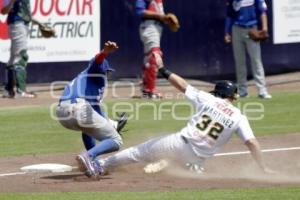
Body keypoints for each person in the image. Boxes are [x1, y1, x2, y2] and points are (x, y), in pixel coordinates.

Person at [77, 53, 274, 178]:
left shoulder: (209, 99)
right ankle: (180, 165)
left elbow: (182, 85)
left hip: (179, 144)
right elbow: (253, 143)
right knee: (184, 161)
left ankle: (100, 165)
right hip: (197, 158)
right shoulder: (239, 117)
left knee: (137, 153)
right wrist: (263, 168)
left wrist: (162, 69)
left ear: (219, 94)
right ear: (232, 97)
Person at [56, 41, 128, 176]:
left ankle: (92, 160)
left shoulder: (85, 81)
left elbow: (97, 117)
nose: (107, 74)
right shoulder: (94, 71)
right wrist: (104, 53)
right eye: (107, 71)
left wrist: (112, 124)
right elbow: (98, 62)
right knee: (116, 140)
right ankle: (88, 156)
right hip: (78, 108)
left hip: (62, 114)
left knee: (88, 129)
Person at [224, 0, 272, 99]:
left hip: (252, 29)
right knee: (239, 62)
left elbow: (262, 10)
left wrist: (265, 28)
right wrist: (226, 32)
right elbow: (229, 15)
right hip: (236, 29)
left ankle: (262, 90)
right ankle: (242, 91)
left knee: (256, 61)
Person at [1, 0, 35, 98]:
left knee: (13, 58)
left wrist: (39, 23)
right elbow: (3, 11)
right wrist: (12, 2)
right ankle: (21, 91)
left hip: (21, 24)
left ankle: (9, 90)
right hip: (17, 25)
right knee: (21, 56)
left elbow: (25, 12)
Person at [135, 0, 169, 99]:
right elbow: (139, 11)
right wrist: (160, 16)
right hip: (150, 26)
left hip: (156, 27)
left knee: (149, 58)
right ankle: (150, 90)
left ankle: (146, 88)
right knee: (155, 55)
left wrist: (164, 19)